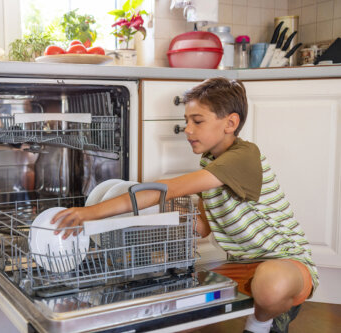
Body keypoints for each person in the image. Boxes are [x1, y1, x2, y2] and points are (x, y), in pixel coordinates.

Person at [51, 77, 318, 333]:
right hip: (244, 264)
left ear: (230, 123)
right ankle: (264, 307)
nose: (188, 129)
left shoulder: (244, 156)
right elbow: (204, 229)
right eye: (186, 121)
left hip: (287, 263)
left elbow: (166, 189)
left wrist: (89, 213)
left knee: (270, 285)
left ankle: (261, 324)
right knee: (179, 296)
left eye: (197, 121)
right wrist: (183, 218)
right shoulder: (208, 163)